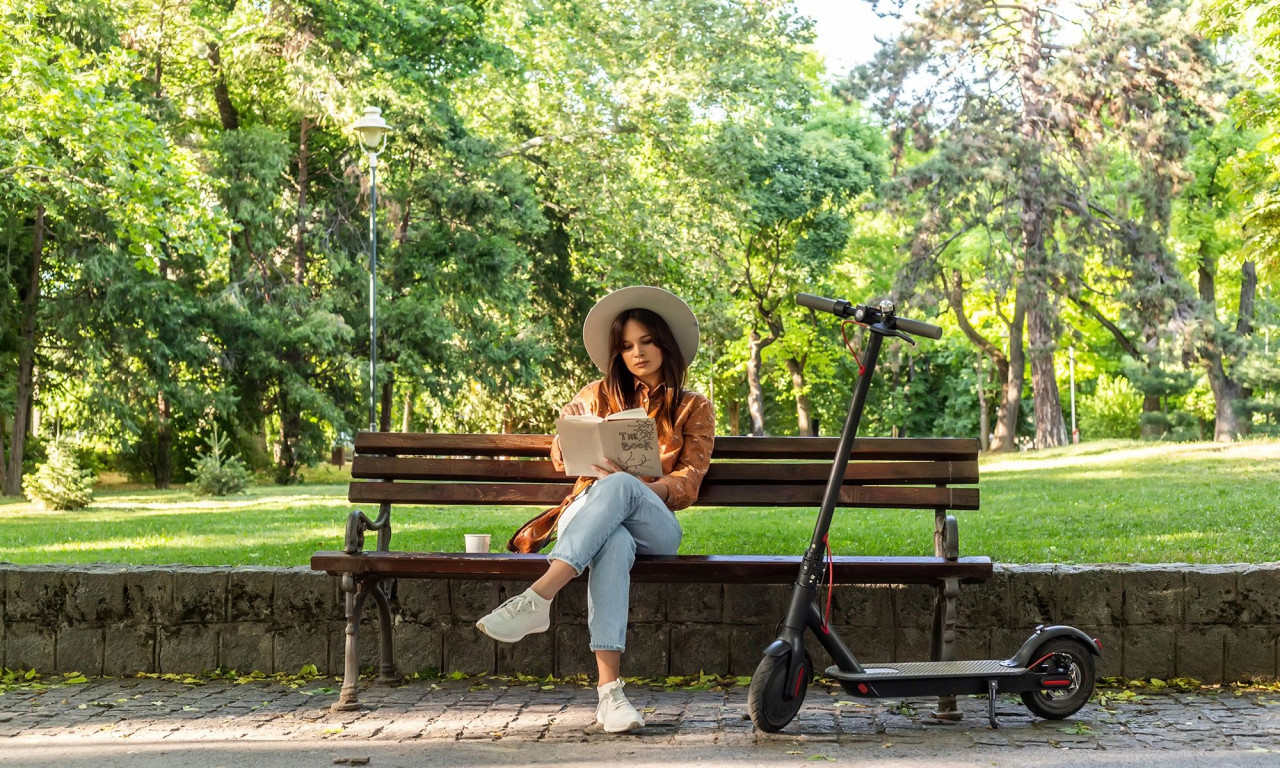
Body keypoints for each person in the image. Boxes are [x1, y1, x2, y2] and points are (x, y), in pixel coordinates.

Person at [476, 286, 715, 733]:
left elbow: (690, 479)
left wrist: (644, 487)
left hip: (654, 520)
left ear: (665, 343)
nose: (637, 353)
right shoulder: (596, 394)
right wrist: (570, 434)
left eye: (647, 341)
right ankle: (611, 696)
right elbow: (560, 455)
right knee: (613, 541)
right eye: (626, 346)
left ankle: (539, 597)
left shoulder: (693, 406)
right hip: (588, 509)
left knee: (622, 486)